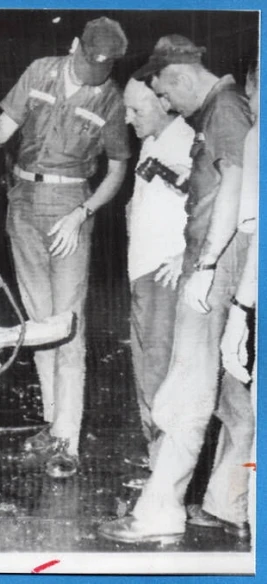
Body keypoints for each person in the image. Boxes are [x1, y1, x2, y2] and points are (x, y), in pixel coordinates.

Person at [0, 17, 131, 478]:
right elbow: (0, 132)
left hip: (70, 208)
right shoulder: (40, 71)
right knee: (39, 325)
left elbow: (117, 169)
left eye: (99, 72)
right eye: (83, 66)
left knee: (68, 325)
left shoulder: (111, 98)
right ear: (74, 46)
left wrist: (83, 214)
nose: (88, 78)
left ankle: (68, 441)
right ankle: (52, 422)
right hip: (22, 202)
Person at [99, 35, 252, 543]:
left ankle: (161, 513)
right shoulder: (216, 112)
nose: (165, 103)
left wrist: (206, 266)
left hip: (213, 267)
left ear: (181, 76)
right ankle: (226, 502)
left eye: (163, 91)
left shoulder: (224, 109)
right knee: (219, 392)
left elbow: (233, 187)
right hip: (211, 263)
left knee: (183, 396)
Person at [183, 57, 258, 543]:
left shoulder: (255, 136)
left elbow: (255, 230)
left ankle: (236, 507)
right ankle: (229, 503)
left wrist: (240, 309)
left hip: (249, 279)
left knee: (243, 394)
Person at [122, 78, 194, 471]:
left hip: (163, 275)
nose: (128, 117)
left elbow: (211, 201)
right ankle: (156, 463)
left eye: (138, 110)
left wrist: (185, 254)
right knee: (145, 368)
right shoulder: (151, 140)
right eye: (127, 108)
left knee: (159, 373)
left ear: (165, 103)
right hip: (142, 271)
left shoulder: (187, 141)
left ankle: (166, 473)